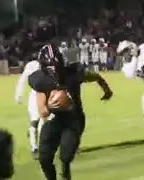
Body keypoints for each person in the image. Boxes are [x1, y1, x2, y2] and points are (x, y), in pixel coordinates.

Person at [28, 43, 113, 180]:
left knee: (65, 156)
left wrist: (107, 91)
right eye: (50, 67)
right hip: (54, 120)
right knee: (44, 158)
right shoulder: (41, 80)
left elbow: (96, 76)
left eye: (56, 66)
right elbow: (43, 112)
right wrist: (53, 105)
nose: (54, 70)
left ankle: (66, 173)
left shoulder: (73, 74)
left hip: (74, 118)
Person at [15, 59, 42, 159]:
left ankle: (33, 134)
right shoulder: (32, 65)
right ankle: (34, 147)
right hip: (36, 95)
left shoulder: (51, 64)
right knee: (35, 120)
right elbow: (22, 80)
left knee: (44, 122)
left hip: (48, 94)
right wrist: (18, 95)